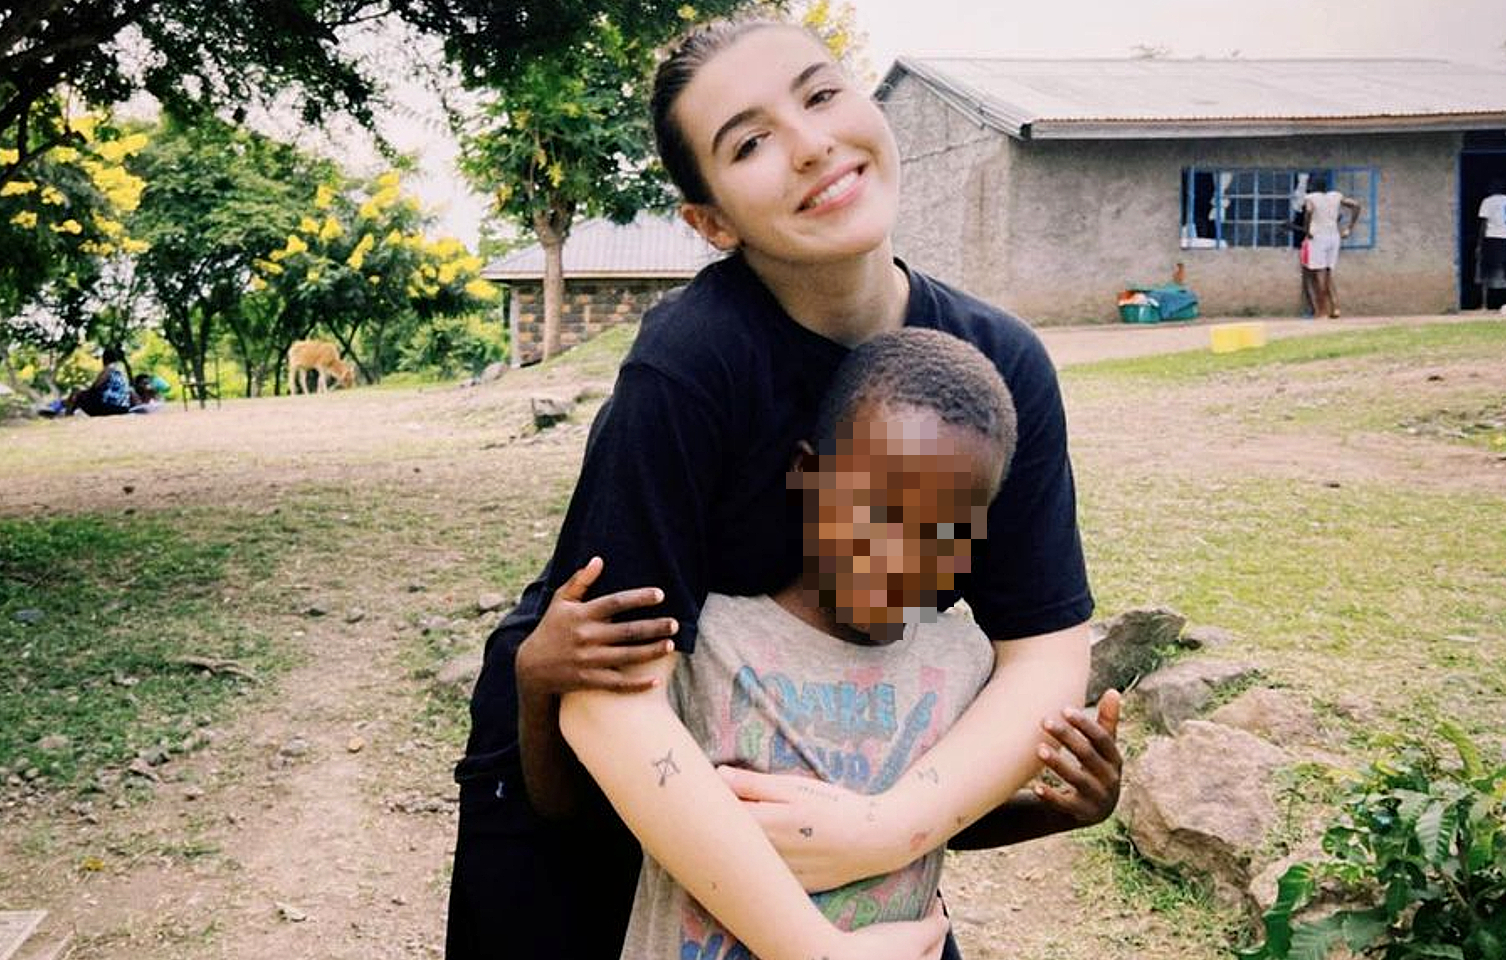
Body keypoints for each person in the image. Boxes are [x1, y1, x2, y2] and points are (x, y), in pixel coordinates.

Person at [447, 19, 1105, 960]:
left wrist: (887, 827)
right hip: (596, 779)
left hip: (831, 781)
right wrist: (813, 949)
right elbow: (607, 692)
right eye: (749, 142)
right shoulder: (689, 366)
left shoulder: (1002, 366)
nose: (809, 143)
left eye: (823, 94)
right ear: (711, 221)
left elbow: (1043, 651)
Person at [556, 328, 1122, 960]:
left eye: (947, 532)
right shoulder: (712, 639)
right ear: (807, 477)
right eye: (880, 511)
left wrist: (1063, 811)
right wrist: (533, 682)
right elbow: (581, 794)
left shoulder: (960, 665)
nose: (905, 555)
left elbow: (943, 826)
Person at [1301, 174, 1364, 319]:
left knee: (1319, 275)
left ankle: (1321, 311)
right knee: (1329, 274)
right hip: (1333, 237)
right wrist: (1349, 227)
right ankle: (1335, 308)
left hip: (1318, 237)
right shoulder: (1335, 196)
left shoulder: (1310, 198)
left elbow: (1309, 212)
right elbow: (1356, 205)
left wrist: (1307, 229)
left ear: (1312, 186)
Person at [62, 346, 134, 417]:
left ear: (105, 359)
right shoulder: (122, 371)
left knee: (76, 392)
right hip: (124, 407)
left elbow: (95, 387)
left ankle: (67, 416)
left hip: (109, 406)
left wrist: (82, 392)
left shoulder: (109, 368)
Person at [1476, 179, 1506, 313]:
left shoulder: (1487, 201)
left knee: (1486, 272)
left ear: (1493, 187)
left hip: (1492, 238)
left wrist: (1479, 244)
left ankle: (1484, 305)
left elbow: (1483, 224)